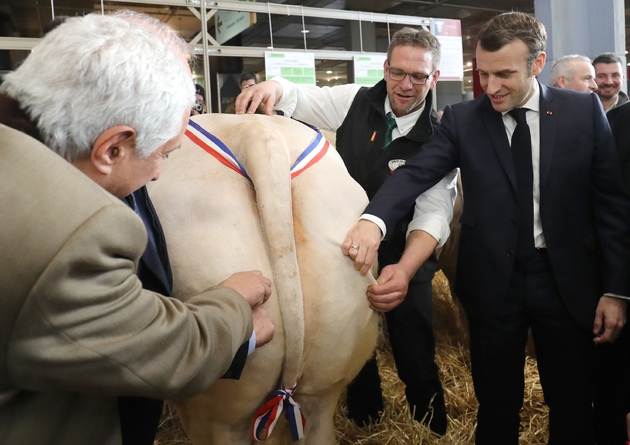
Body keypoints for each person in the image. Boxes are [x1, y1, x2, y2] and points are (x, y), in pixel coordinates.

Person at [342, 12, 630, 445]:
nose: (490, 87)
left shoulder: (582, 112)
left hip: (567, 283)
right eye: (482, 73)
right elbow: (415, 174)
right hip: (494, 285)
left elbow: (610, 204)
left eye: (504, 74)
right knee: (496, 404)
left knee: (571, 404)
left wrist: (616, 290)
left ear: (537, 64)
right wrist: (372, 221)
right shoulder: (462, 120)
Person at [0, 13, 274, 445]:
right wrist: (235, 305)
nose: (159, 174)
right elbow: (167, 353)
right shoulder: (73, 236)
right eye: (165, 153)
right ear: (112, 148)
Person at [236, 27, 457, 435]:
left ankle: (431, 427)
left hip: (405, 252)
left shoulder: (442, 135)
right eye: (397, 72)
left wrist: (405, 272)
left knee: (414, 344)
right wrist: (272, 86)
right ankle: (365, 421)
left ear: (435, 78)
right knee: (352, 341)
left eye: (418, 77)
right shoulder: (356, 100)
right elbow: (302, 96)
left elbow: (433, 214)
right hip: (347, 249)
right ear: (385, 68)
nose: (405, 85)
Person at [595, 100, 630, 445]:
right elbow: (606, 212)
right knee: (614, 401)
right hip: (623, 293)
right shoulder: (615, 124)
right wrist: (616, 291)